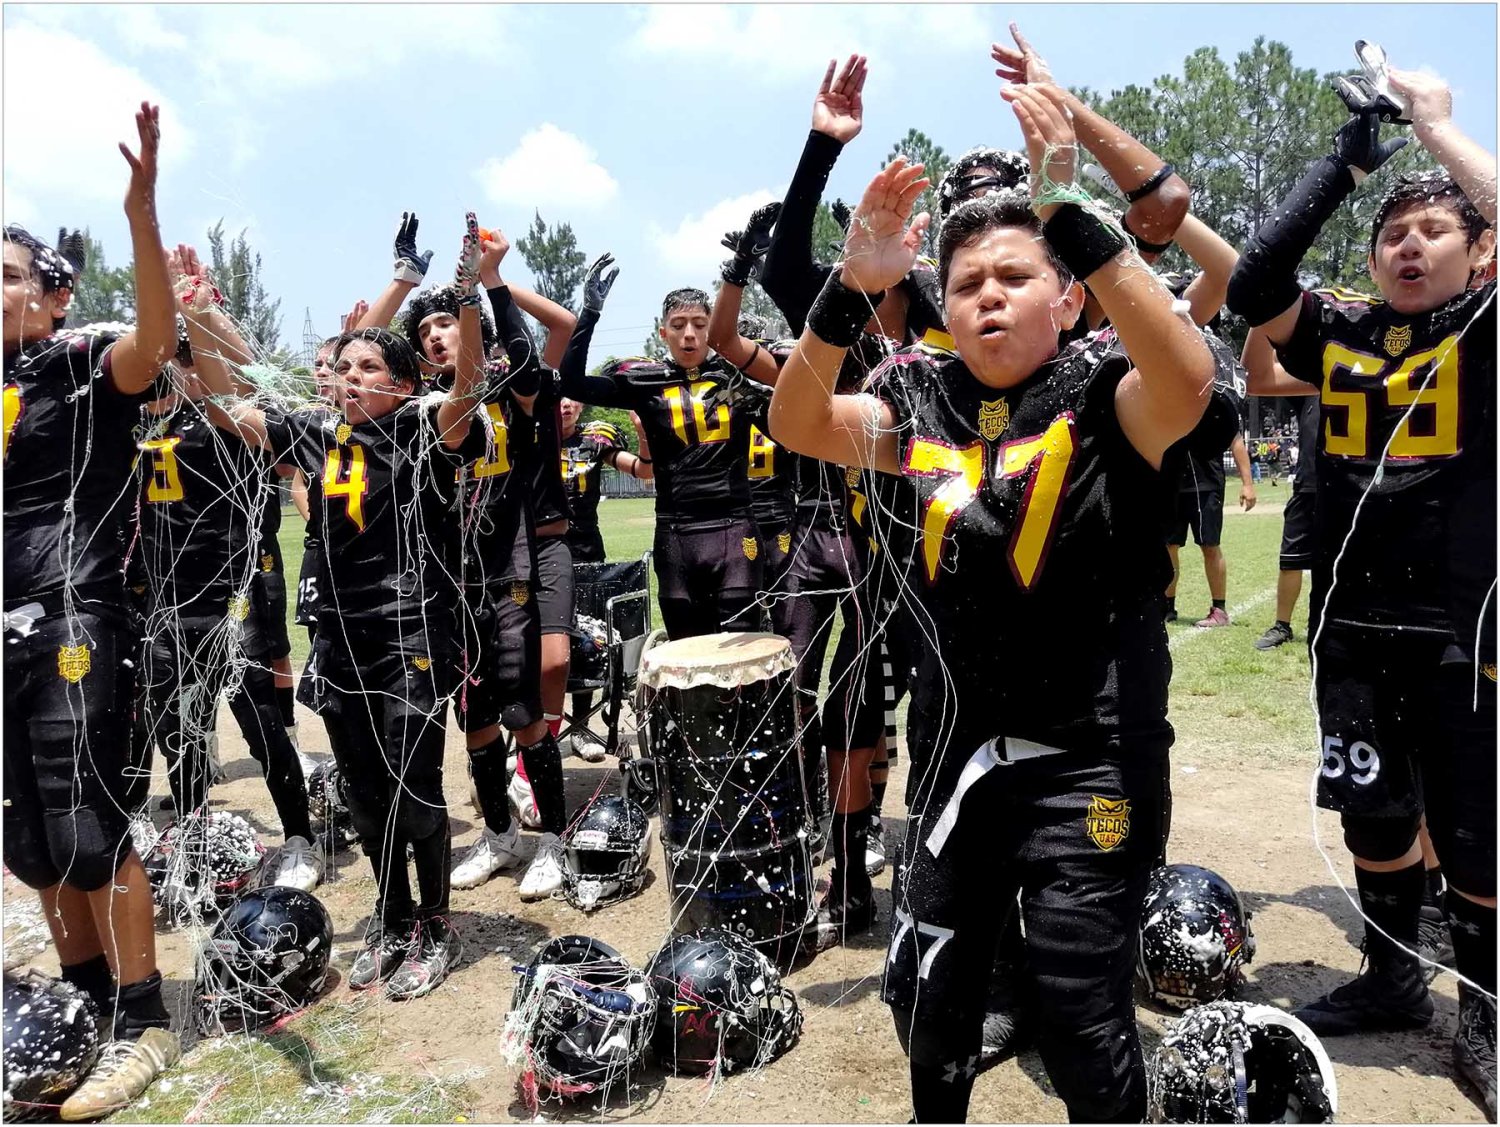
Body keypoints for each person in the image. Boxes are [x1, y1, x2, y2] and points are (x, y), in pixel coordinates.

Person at [771, 74, 1215, 1124]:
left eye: (1018, 275)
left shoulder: (1110, 393)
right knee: (936, 995)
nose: (989, 296)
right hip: (953, 759)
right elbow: (798, 423)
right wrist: (851, 284)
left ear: (1069, 297)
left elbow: (1191, 381)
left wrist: (1076, 214)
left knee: (1077, 1004)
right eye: (967, 280)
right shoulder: (914, 391)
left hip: (1087, 755)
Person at [1226, 64, 1496, 1116]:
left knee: (1475, 825)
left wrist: (1436, 130)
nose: (1411, 244)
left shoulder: (1487, 329)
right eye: (1397, 232)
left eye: (1437, 228)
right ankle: (1392, 973)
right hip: (1352, 626)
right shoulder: (1338, 329)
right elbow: (1253, 285)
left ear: (1482, 251)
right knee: (1374, 811)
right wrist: (1345, 161)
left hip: (1462, 624)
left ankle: (1484, 1006)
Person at [211, 215, 494, 999]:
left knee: (413, 788)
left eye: (371, 365)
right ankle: (393, 912)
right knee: (364, 797)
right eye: (345, 365)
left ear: (400, 382)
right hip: (334, 639)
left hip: (406, 631)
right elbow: (228, 404)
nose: (351, 375)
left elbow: (467, 389)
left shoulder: (418, 428)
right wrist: (199, 313)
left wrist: (466, 297)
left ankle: (434, 921)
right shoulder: (314, 434)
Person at [3, 103, 181, 1119]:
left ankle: (144, 1018)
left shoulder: (83, 364)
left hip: (77, 614)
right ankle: (82, 1003)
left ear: (50, 292)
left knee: (88, 824)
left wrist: (141, 214)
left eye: (7, 274)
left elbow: (157, 338)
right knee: (27, 838)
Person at [392, 224, 570, 900]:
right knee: (474, 718)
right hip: (450, 579)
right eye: (427, 328)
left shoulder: (506, 383)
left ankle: (552, 838)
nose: (438, 335)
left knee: (525, 707)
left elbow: (529, 360)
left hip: (510, 566)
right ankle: (499, 833)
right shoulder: (414, 406)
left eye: (447, 322)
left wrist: (484, 286)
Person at [133, 252, 319, 892]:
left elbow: (251, 378)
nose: (173, 371)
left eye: (183, 358)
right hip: (165, 596)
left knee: (259, 717)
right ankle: (189, 839)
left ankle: (300, 836)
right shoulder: (143, 421)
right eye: (170, 359)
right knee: (179, 727)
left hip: (230, 589)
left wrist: (202, 314)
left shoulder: (224, 418)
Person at [559, 261, 766, 640]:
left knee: (743, 648)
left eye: (700, 325)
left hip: (734, 524)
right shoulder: (644, 380)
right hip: (676, 529)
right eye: (678, 325)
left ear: (714, 329)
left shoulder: (739, 375)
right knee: (687, 649)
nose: (689, 335)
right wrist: (589, 314)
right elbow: (571, 381)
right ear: (663, 332)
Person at [558, 393, 652, 759]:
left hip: (586, 552)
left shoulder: (594, 440)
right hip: (537, 553)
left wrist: (644, 433)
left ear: (581, 404)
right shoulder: (530, 436)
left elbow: (643, 472)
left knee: (587, 639)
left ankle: (580, 727)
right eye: (558, 397)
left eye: (572, 398)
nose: (565, 404)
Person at [1163, 430, 1256, 627]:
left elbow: (1235, 439)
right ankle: (1167, 607)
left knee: (1210, 546)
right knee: (1169, 546)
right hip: (1172, 485)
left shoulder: (1217, 402)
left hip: (1207, 485)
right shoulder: (1168, 401)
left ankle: (1219, 610)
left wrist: (1247, 484)